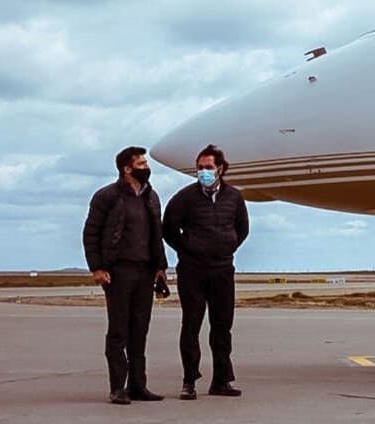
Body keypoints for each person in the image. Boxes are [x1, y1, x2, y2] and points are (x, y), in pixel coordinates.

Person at [163, 144, 250, 400]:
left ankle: (221, 380)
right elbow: (168, 228)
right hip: (193, 270)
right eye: (200, 168)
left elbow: (242, 228)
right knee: (191, 325)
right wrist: (188, 249)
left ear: (220, 169)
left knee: (222, 327)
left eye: (208, 168)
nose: (203, 172)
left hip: (223, 269)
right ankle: (189, 380)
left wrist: (228, 245)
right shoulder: (184, 197)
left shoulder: (234, 197)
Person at [83, 146, 168, 405]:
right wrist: (97, 267)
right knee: (119, 330)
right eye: (141, 164)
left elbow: (157, 235)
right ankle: (117, 387)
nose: (146, 168)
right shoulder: (107, 196)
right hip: (118, 271)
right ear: (126, 168)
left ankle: (138, 386)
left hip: (145, 271)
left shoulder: (151, 197)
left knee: (139, 330)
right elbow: (91, 233)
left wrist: (161, 268)